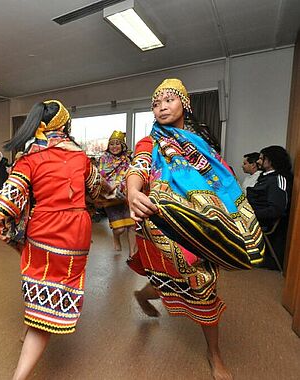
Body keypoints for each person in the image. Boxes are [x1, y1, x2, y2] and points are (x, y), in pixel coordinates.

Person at [126, 78, 262, 380]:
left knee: (182, 280)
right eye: (156, 104)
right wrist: (133, 192)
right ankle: (215, 356)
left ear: (184, 104)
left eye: (168, 101)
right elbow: (138, 167)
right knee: (202, 280)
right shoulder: (150, 142)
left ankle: (146, 296)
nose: (161, 108)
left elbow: (219, 177)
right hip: (163, 222)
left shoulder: (200, 142)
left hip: (204, 222)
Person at [0, 100, 107, 380]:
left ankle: (22, 364)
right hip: (76, 232)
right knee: (57, 285)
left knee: (39, 278)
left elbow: (9, 199)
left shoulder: (29, 158)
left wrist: (6, 226)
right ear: (66, 126)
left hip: (44, 228)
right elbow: (97, 191)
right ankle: (32, 335)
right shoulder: (81, 158)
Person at [247, 145, 292, 269]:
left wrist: (251, 214)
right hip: (254, 215)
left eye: (262, 158)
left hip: (264, 220)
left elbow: (276, 209)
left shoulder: (278, 179)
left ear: (271, 160)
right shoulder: (265, 177)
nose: (258, 161)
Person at [98, 131, 136, 256]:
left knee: (131, 226)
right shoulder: (104, 158)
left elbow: (132, 174)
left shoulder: (128, 159)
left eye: (117, 144)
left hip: (126, 195)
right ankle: (116, 237)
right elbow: (102, 175)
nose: (114, 147)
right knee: (119, 229)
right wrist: (113, 186)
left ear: (123, 145)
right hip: (111, 197)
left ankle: (132, 254)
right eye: (112, 144)